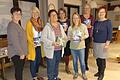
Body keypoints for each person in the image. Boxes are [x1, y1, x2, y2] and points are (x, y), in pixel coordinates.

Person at [41, 9, 67, 80]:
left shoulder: (60, 25)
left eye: (55, 15)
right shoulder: (47, 27)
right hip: (51, 50)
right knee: (51, 66)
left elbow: (64, 36)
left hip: (59, 50)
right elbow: (43, 38)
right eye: (52, 15)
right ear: (49, 17)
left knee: (56, 65)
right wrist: (52, 43)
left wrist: (65, 39)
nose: (54, 16)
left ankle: (55, 77)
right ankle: (50, 78)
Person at [7, 7, 27, 80]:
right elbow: (15, 41)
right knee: (19, 72)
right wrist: (21, 53)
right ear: (12, 15)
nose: (18, 15)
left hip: (20, 52)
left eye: (19, 14)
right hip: (17, 53)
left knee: (19, 70)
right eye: (16, 13)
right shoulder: (12, 26)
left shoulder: (17, 24)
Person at [93, 6, 112, 80]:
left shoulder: (108, 22)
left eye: (102, 12)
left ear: (105, 13)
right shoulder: (96, 22)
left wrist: (107, 43)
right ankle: (99, 71)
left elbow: (109, 34)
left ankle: (102, 74)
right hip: (95, 43)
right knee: (97, 59)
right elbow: (94, 32)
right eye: (99, 12)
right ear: (98, 13)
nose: (101, 13)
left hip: (103, 44)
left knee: (102, 60)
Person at [68, 12, 89, 80]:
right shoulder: (70, 27)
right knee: (74, 61)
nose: (75, 19)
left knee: (82, 62)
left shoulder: (83, 26)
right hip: (73, 47)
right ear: (72, 19)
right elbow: (68, 36)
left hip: (81, 47)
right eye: (74, 18)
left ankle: (83, 73)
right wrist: (71, 38)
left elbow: (87, 35)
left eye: (77, 18)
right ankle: (76, 73)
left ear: (79, 19)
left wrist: (82, 38)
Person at [26, 6, 44, 80]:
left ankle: (36, 72)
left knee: (38, 59)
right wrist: (31, 42)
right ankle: (34, 76)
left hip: (39, 44)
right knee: (33, 61)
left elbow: (42, 32)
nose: (35, 14)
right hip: (32, 45)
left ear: (38, 13)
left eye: (36, 12)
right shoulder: (29, 23)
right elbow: (27, 35)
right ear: (31, 14)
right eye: (33, 12)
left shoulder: (40, 22)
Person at [80, 4, 95, 71]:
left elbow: (94, 26)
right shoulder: (80, 17)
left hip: (89, 36)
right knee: (81, 51)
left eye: (88, 8)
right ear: (83, 9)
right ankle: (81, 63)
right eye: (85, 8)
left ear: (90, 9)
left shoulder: (92, 17)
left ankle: (85, 64)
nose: (86, 9)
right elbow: (78, 26)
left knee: (86, 51)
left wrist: (91, 27)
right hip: (81, 37)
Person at [58, 8, 71, 74]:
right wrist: (62, 31)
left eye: (63, 13)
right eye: (60, 13)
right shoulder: (57, 21)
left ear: (65, 13)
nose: (61, 14)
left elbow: (71, 29)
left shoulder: (68, 21)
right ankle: (56, 67)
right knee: (58, 53)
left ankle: (67, 66)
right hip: (60, 40)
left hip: (67, 39)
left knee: (67, 54)